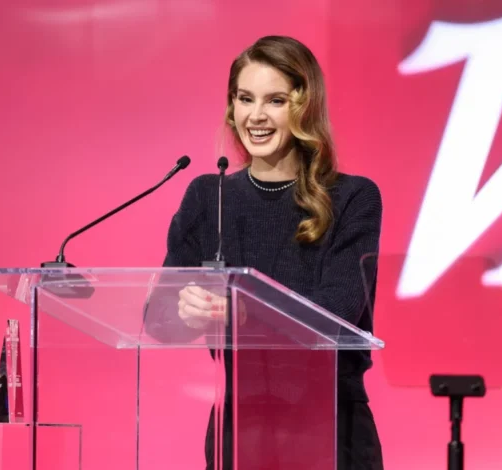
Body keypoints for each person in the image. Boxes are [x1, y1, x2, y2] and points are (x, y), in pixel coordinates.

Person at [158, 35, 383, 470]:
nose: (256, 116)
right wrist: (186, 309)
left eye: (275, 101)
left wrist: (244, 310)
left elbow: (335, 314)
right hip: (238, 430)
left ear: (305, 107)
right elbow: (158, 320)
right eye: (245, 98)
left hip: (332, 428)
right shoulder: (208, 196)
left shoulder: (353, 198)